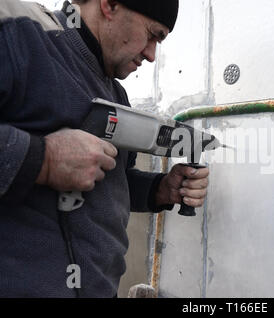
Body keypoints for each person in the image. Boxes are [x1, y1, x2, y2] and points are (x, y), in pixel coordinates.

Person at [0, 0, 209, 297]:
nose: (151, 55)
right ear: (109, 5)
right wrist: (43, 159)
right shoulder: (22, 35)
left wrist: (162, 190)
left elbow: (113, 181)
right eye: (153, 35)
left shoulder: (116, 93)